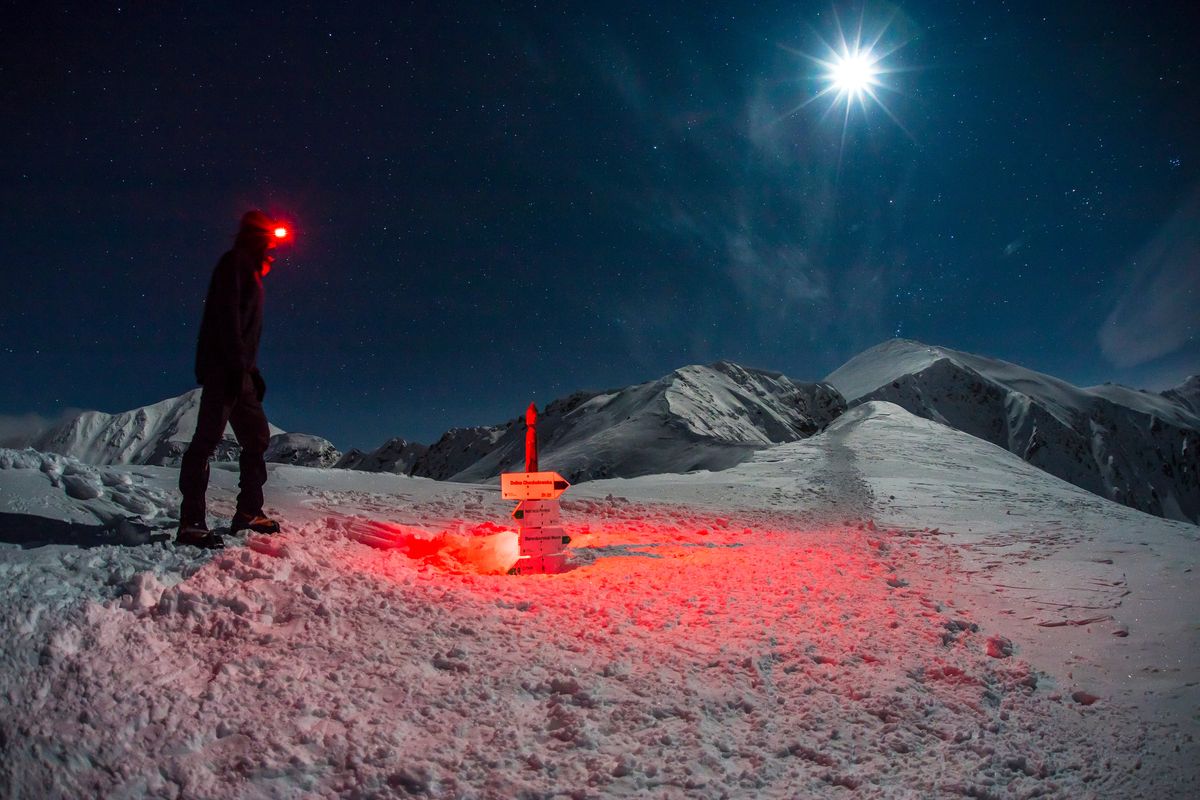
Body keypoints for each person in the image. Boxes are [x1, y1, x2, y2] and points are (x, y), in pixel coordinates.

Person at [176, 210, 285, 548]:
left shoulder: (250, 272)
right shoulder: (235, 264)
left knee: (257, 437)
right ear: (258, 238)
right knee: (207, 439)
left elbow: (241, 326)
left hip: (240, 370)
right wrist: (238, 366)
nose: (273, 249)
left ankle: (248, 513)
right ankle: (191, 523)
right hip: (225, 368)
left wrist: (252, 372)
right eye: (270, 240)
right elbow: (225, 316)